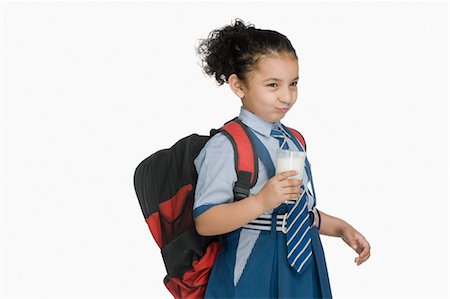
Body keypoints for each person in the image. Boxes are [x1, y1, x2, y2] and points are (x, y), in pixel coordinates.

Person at [192, 18, 371, 298]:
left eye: (293, 84)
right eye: (273, 85)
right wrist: (261, 200)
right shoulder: (226, 145)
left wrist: (341, 228)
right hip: (253, 270)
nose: (287, 97)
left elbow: (295, 211)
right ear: (238, 86)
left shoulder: (294, 140)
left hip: (304, 266)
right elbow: (205, 221)